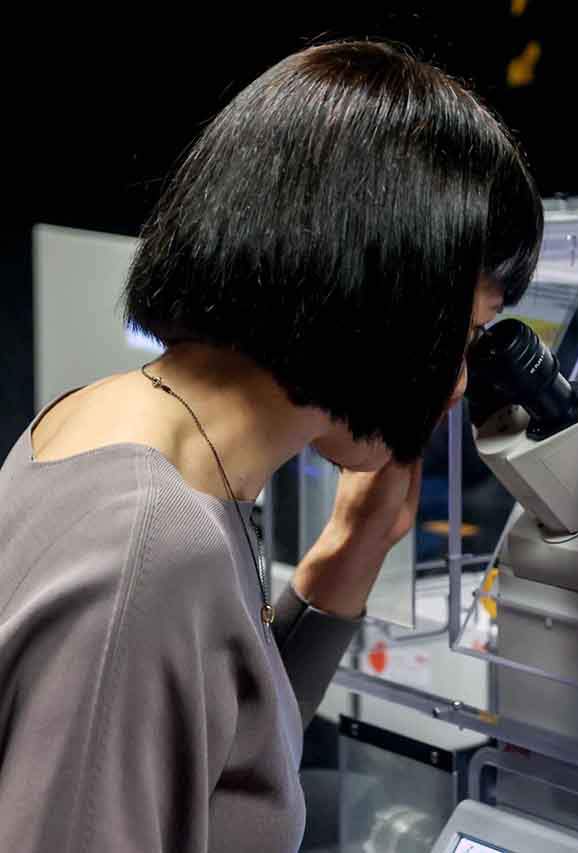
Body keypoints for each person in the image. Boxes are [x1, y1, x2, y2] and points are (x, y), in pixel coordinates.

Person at [0, 40, 541, 852]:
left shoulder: (116, 430)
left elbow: (214, 761)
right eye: (462, 334)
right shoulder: (148, 542)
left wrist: (347, 556)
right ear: (386, 296)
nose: (460, 382)